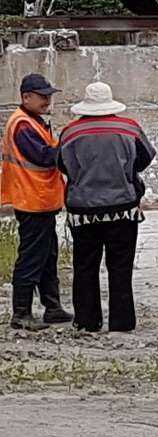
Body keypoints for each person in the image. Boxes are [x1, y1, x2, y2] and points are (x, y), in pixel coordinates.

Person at [58, 82, 155, 333]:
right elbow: (145, 158)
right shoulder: (129, 128)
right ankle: (122, 323)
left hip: (83, 211)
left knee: (85, 267)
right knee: (120, 267)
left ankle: (87, 321)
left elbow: (62, 165)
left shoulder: (70, 132)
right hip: (123, 207)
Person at [2, 73, 70, 329]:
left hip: (40, 200)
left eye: (48, 95)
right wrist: (68, 147)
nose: (47, 100)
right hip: (32, 200)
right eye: (42, 96)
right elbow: (43, 157)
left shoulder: (34, 121)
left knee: (47, 256)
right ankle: (21, 313)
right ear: (26, 97)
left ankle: (52, 308)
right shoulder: (22, 124)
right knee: (31, 258)